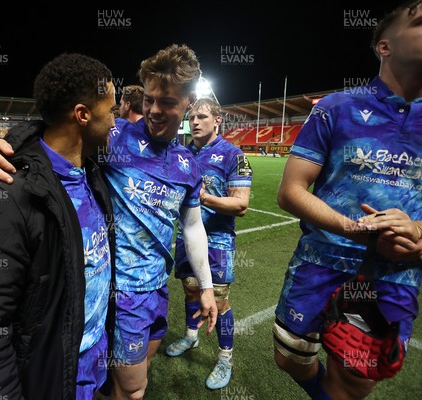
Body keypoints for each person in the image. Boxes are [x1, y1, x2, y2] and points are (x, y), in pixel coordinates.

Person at [0, 43, 218, 400]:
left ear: (189, 103)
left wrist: (205, 285)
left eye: (168, 103)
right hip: (120, 294)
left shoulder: (189, 164)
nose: (154, 111)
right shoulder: (113, 139)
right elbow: (59, 125)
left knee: (131, 373)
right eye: (149, 99)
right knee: (131, 388)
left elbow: (192, 225)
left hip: (158, 289)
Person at [273, 2, 422, 399]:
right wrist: (354, 229)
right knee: (288, 356)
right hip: (321, 260)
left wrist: (420, 233)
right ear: (384, 46)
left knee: (355, 380)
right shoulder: (336, 108)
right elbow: (290, 191)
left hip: (391, 274)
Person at [0, 53, 117, 400]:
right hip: (51, 376)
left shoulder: (90, 170)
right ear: (83, 115)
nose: (115, 122)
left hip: (91, 363)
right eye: (111, 111)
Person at [165, 97, 252, 390]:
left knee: (218, 302)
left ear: (217, 121)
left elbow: (241, 204)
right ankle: (191, 336)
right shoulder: (182, 153)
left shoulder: (232, 155)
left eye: (202, 116)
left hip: (216, 242)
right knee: (190, 289)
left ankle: (226, 356)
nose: (196, 122)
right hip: (186, 238)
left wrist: (203, 198)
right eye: (192, 117)